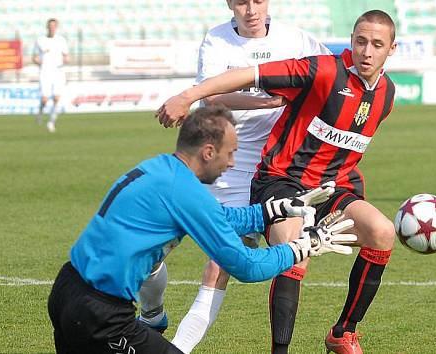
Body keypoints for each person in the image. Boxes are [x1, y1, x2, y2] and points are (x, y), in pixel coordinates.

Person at [158, 10, 398, 354]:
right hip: (283, 181)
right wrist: (189, 96)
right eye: (360, 41)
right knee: (296, 247)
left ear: (391, 49)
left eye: (377, 44)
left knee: (383, 232)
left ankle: (343, 332)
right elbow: (248, 74)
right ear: (351, 41)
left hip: (333, 187)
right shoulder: (323, 70)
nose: (367, 52)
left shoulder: (387, 94)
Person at [47, 105, 356, 354]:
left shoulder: (161, 169)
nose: (233, 163)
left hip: (67, 289)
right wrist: (303, 247)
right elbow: (247, 267)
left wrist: (273, 209)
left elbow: (219, 217)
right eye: (230, 152)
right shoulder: (183, 192)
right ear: (208, 152)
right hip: (99, 314)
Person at [137, 1, 332, 352]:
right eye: (242, 1)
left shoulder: (298, 40)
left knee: (222, 265)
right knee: (149, 256)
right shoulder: (217, 41)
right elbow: (209, 97)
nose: (251, 9)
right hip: (224, 172)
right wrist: (265, 101)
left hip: (275, 173)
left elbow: (331, 74)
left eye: (258, 0)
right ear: (230, 3)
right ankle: (152, 314)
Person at [33, 18, 68, 133]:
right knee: (44, 99)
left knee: (57, 98)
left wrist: (65, 61)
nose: (52, 28)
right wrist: (40, 62)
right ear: (47, 27)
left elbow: (66, 56)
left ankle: (51, 122)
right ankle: (40, 112)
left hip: (58, 71)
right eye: (50, 26)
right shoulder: (40, 40)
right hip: (45, 71)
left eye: (54, 26)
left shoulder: (61, 40)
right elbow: (35, 58)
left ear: (56, 27)